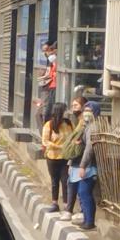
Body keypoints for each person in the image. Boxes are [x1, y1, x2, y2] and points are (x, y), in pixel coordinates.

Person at [69, 101, 101, 230]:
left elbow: (89, 148)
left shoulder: (93, 128)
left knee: (84, 192)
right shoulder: (87, 126)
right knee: (84, 193)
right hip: (86, 165)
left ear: (96, 112)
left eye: (90, 111)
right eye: (85, 110)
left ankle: (89, 221)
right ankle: (88, 220)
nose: (87, 113)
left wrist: (82, 166)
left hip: (90, 166)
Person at [41, 102, 73, 213]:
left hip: (65, 157)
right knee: (55, 181)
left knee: (65, 181)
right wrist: (60, 146)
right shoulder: (49, 125)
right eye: (65, 110)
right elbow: (45, 141)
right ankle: (54, 203)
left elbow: (72, 138)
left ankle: (66, 205)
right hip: (52, 157)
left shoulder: (68, 124)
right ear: (60, 112)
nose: (67, 112)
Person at [60, 96, 88, 221]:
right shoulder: (78, 122)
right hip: (75, 159)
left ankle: (81, 211)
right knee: (71, 184)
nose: (73, 108)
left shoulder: (85, 123)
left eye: (76, 105)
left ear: (83, 107)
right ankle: (69, 210)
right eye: (73, 105)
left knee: (81, 188)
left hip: (82, 160)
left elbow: (84, 144)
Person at [36, 43, 58, 124]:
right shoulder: (50, 61)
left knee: (48, 110)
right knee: (41, 112)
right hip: (48, 86)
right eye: (45, 51)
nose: (48, 53)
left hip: (53, 87)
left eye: (50, 50)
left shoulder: (55, 60)